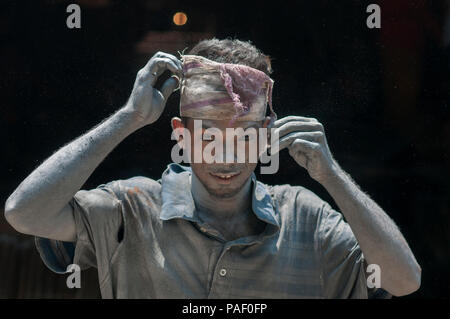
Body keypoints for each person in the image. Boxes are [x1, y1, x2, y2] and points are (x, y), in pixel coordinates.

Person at [4, 38, 421, 298]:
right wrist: (128, 118)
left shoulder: (307, 218)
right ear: (180, 133)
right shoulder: (131, 207)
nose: (226, 157)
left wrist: (333, 176)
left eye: (243, 136)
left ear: (266, 134)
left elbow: (404, 282)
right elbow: (24, 213)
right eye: (208, 136)